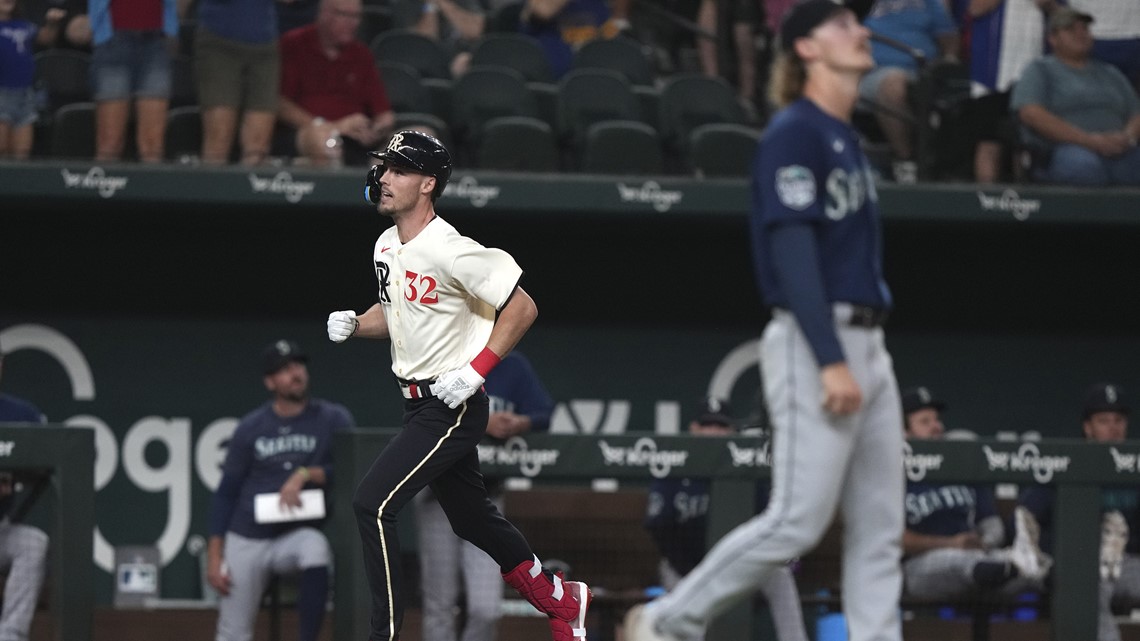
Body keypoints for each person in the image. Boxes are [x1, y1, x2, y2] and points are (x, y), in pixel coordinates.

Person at [625, 2, 905, 640]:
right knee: (797, 521)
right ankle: (667, 621)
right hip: (818, 338)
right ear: (806, 48)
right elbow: (792, 254)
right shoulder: (795, 133)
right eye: (842, 24)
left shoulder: (844, 135)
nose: (860, 30)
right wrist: (831, 357)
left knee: (880, 523)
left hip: (868, 338)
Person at [325, 130, 589, 641]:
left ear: (427, 184)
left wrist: (477, 369)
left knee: (372, 505)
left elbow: (523, 307)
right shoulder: (385, 244)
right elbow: (397, 312)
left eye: (398, 170)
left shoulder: (451, 248)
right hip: (417, 404)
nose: (383, 177)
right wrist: (359, 323)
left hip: (452, 405)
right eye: (384, 167)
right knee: (472, 519)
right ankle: (561, 599)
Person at [206, 339, 355, 641]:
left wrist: (308, 473)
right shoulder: (252, 426)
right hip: (248, 535)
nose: (295, 373)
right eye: (285, 370)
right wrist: (214, 557)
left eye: (298, 365)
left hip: (294, 533)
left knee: (315, 548)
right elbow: (226, 493)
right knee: (233, 633)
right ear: (270, 381)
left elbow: (354, 468)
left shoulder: (332, 418)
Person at [414, 350, 554, 641]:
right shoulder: (444, 352)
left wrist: (520, 423)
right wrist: (481, 419)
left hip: (485, 498)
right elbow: (422, 410)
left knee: (486, 609)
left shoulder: (511, 364)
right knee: (440, 604)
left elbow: (545, 412)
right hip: (438, 493)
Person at [643, 398, 808, 641]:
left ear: (731, 432)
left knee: (779, 574)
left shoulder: (748, 466)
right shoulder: (675, 465)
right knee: (672, 574)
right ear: (694, 429)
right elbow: (660, 529)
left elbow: (772, 523)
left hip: (739, 564)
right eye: (707, 425)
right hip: (685, 565)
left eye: (720, 426)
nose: (714, 432)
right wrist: (699, 576)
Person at [899, 386, 1050, 604]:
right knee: (958, 561)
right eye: (925, 422)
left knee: (1038, 568)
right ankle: (1000, 569)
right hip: (918, 568)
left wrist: (985, 542)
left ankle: (1025, 570)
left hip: (975, 557)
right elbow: (897, 540)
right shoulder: (896, 475)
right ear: (905, 433)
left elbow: (991, 523)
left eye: (936, 420)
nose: (936, 427)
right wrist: (951, 543)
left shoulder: (957, 465)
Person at [1019, 382, 1140, 641]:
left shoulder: (1134, 467)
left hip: (1126, 565)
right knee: (1088, 586)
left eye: (1119, 420)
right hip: (1080, 566)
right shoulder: (1068, 463)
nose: (1113, 428)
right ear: (1088, 427)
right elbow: (1023, 521)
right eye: (1103, 421)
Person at [1010, 6, 1140, 186]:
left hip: (1120, 149)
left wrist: (1127, 138)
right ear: (1053, 39)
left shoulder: (1111, 73)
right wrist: (1089, 141)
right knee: (1084, 169)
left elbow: (1136, 112)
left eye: (1084, 29)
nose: (1080, 34)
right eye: (1071, 29)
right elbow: (1031, 113)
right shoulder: (1040, 70)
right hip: (1066, 148)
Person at [277, 0, 396, 167]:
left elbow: (384, 114)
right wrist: (334, 127)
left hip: (356, 139)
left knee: (415, 140)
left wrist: (376, 129)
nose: (352, 22)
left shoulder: (362, 54)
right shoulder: (293, 44)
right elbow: (280, 104)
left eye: (356, 16)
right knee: (326, 141)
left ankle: (375, 190)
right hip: (308, 133)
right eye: (344, 15)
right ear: (324, 14)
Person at [858, 0, 960, 182]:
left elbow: (949, 40)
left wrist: (948, 62)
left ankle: (918, 163)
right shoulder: (861, 5)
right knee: (891, 83)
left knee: (896, 83)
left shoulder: (929, 3)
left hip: (918, 72)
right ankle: (903, 162)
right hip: (866, 72)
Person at [87, 0, 181, 162]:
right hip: (113, 40)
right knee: (110, 144)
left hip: (156, 41)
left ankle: (152, 186)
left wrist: (171, 29)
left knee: (153, 147)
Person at [0, 336, 50, 641]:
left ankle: (10, 635)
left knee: (32, 543)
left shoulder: (20, 413)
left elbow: (60, 453)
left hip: (1, 528)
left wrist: (12, 477)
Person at [193, 0, 281, 164]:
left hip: (264, 45)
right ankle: (211, 187)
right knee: (219, 137)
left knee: (258, 146)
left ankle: (249, 189)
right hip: (219, 41)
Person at [0, 0, 65, 159]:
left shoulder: (24, 25)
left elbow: (45, 38)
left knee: (23, 153)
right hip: (2, 93)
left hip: (26, 94)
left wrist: (52, 24)